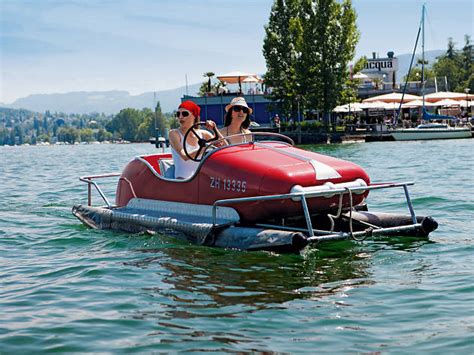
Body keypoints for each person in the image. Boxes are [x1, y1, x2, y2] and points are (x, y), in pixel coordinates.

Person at [169, 100, 218, 179]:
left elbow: (224, 145)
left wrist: (214, 128)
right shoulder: (174, 134)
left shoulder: (203, 134)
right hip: (182, 180)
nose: (180, 117)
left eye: (184, 114)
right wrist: (205, 147)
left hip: (201, 179)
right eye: (178, 114)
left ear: (194, 116)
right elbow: (184, 156)